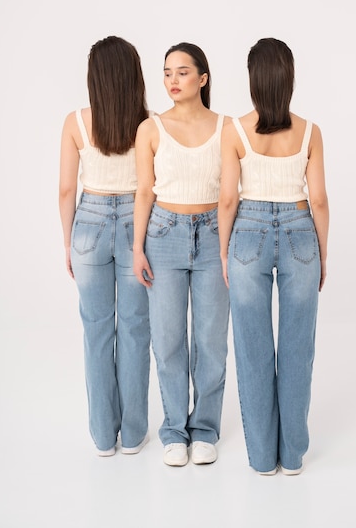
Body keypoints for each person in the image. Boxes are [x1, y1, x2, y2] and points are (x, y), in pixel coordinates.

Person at [218, 38, 329, 476]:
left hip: (248, 233)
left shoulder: (235, 130)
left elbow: (228, 199)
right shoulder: (310, 132)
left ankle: (263, 459)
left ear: (253, 80)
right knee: (297, 350)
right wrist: (323, 251)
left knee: (252, 349)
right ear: (289, 78)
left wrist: (226, 253)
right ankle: (294, 456)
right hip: (302, 231)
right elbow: (318, 200)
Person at [133, 42, 230, 467]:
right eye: (168, 73)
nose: (173, 80)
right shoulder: (150, 128)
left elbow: (231, 194)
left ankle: (205, 428)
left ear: (203, 79)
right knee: (169, 339)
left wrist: (229, 248)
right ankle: (174, 429)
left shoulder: (227, 127)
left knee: (210, 340)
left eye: (183, 72)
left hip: (213, 236)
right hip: (164, 235)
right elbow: (142, 193)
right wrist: (137, 247)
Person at [59, 36, 151, 457]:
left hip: (89, 223)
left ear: (94, 77)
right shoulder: (148, 124)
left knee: (96, 331)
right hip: (138, 224)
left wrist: (68, 242)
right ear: (134, 75)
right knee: (134, 329)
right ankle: (133, 436)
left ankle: (102, 437)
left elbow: (65, 191)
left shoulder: (75, 122)